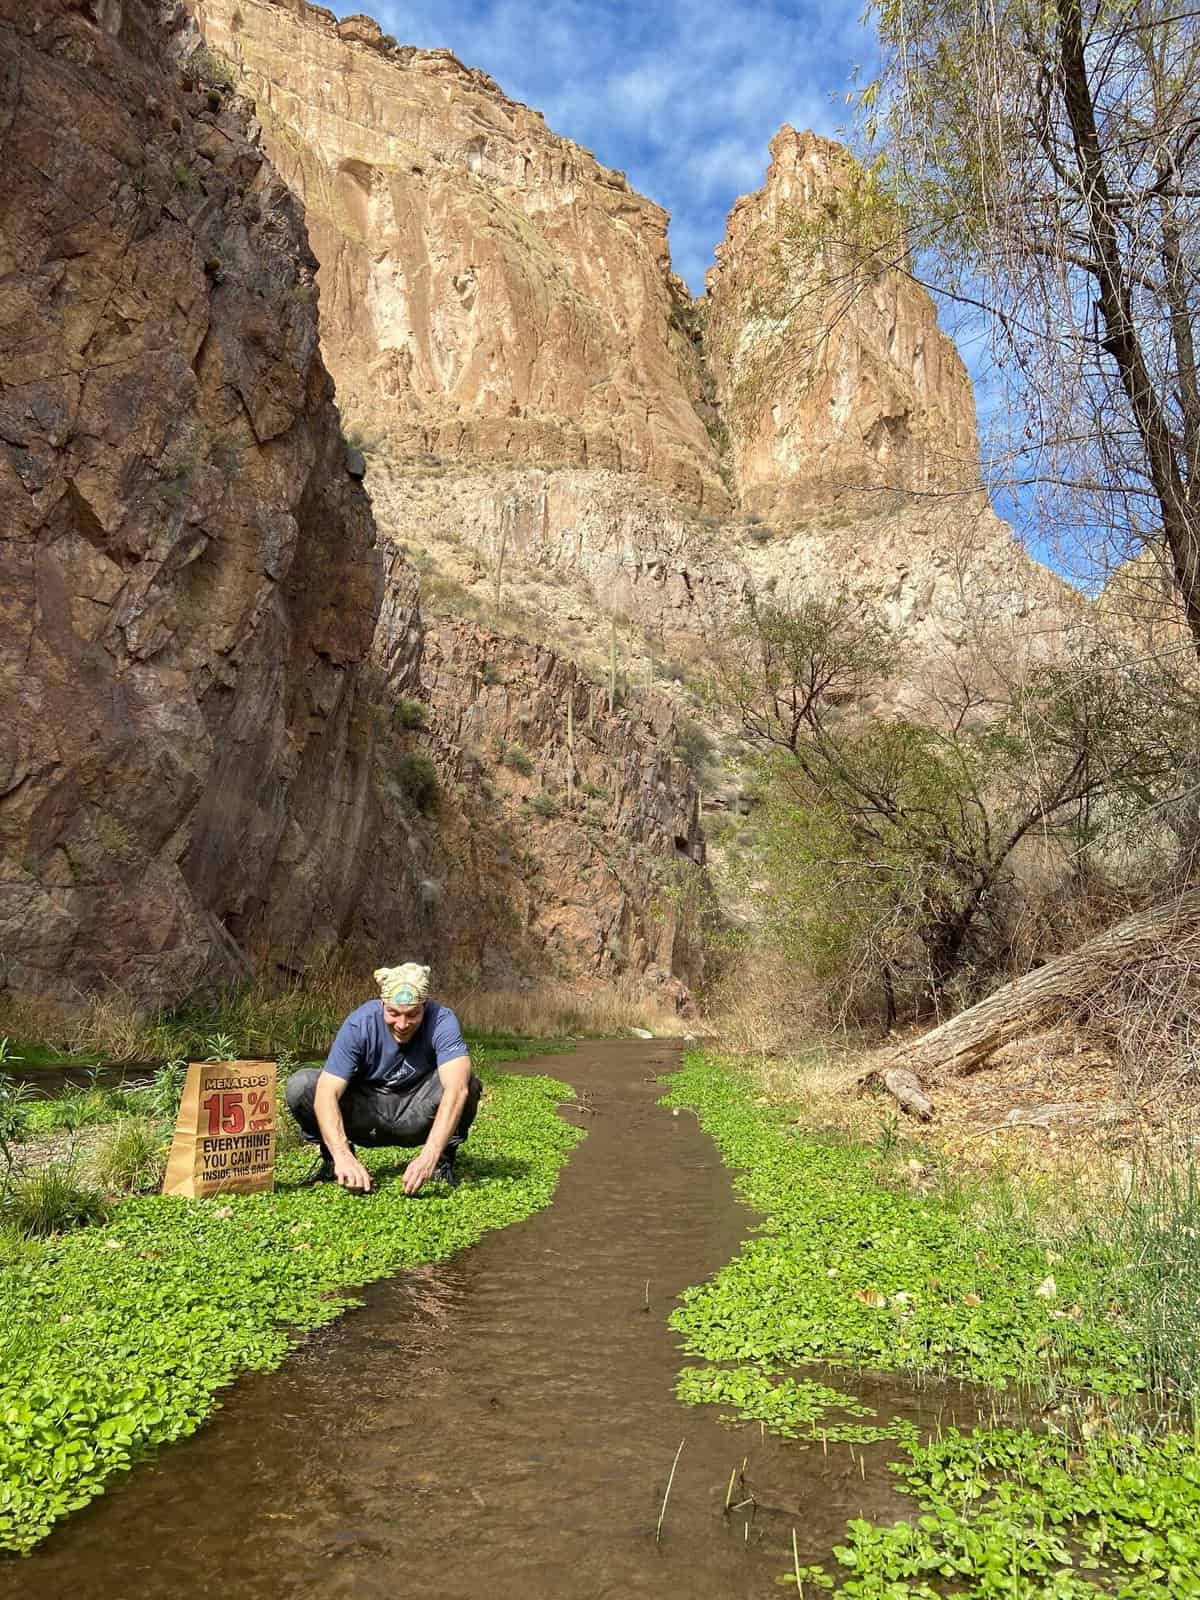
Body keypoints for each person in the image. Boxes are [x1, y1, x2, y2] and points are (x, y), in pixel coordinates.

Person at [285, 962, 482, 1193]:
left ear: (424, 1006)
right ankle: (334, 1163)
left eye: (412, 1014)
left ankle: (441, 1162)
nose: (402, 1024)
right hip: (368, 1115)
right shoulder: (360, 1023)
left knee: (466, 1082)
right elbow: (326, 1093)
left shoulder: (442, 1020)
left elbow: (457, 1089)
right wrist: (342, 1155)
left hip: (417, 1111)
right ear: (382, 1005)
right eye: (393, 1013)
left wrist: (429, 1155)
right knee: (301, 1086)